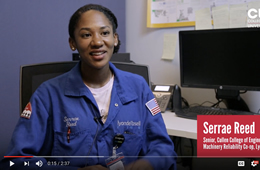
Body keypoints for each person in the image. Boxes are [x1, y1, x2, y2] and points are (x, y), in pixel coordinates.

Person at [1, 4, 177, 170]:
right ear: (72, 43)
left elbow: (164, 149)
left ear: (115, 39)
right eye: (86, 35)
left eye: (105, 33)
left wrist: (147, 165)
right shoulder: (47, 95)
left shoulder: (139, 87)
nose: (97, 42)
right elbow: (15, 162)